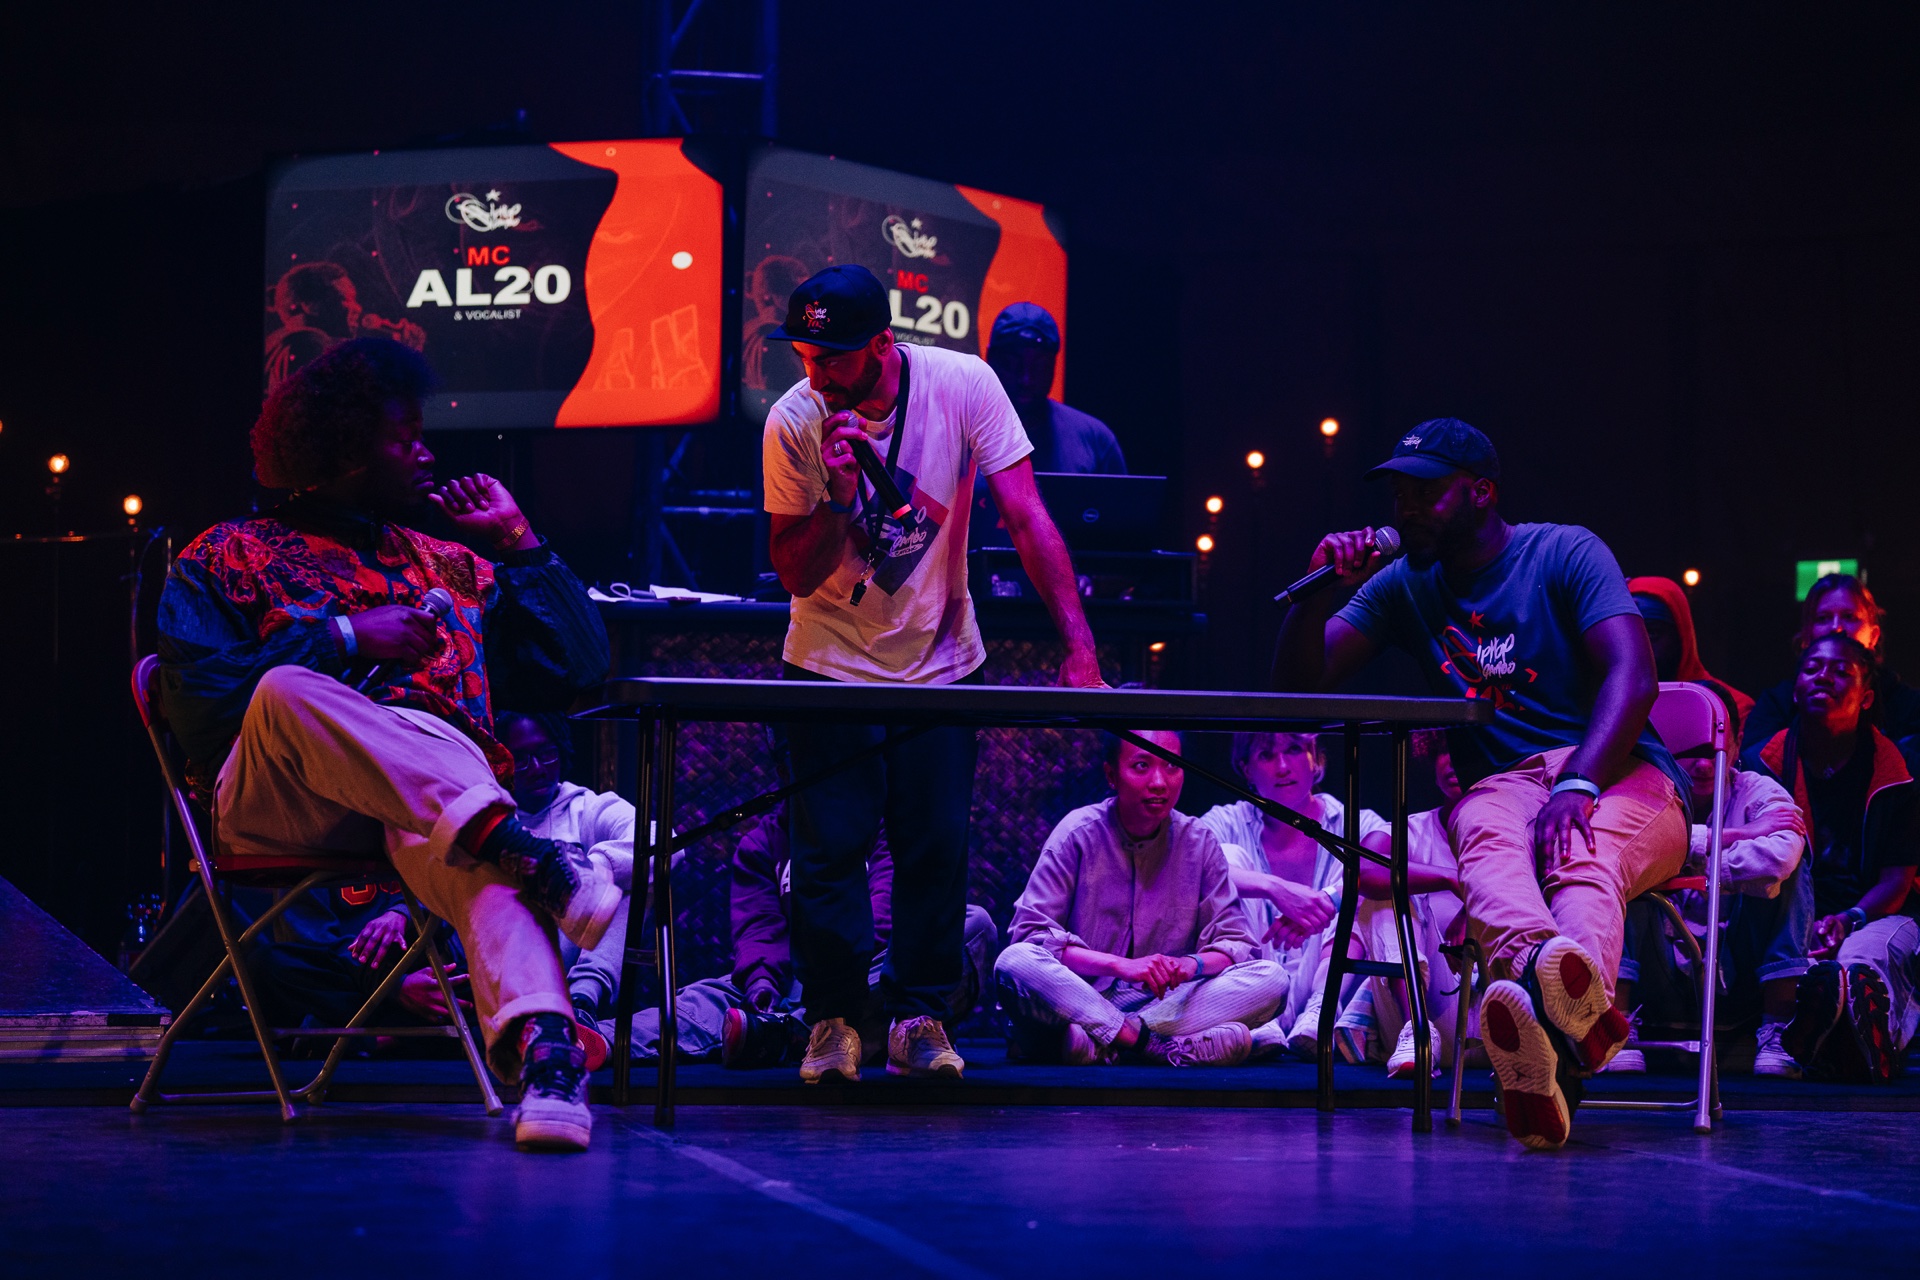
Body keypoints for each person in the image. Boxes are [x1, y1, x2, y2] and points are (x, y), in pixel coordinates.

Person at [157, 338, 613, 1152]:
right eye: (405, 438)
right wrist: (343, 637)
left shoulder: (452, 564)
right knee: (284, 689)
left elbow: (581, 669)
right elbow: (196, 706)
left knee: (475, 852)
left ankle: (549, 1059)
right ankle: (514, 842)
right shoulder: (223, 555)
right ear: (344, 452)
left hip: (422, 815)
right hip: (278, 803)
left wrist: (519, 541)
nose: (427, 453)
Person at [1271, 417, 1689, 1150]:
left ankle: (1544, 1014)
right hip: (1505, 786)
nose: (1405, 509)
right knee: (1483, 833)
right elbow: (1298, 689)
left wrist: (1578, 784)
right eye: (1399, 494)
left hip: (1617, 772)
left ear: (1482, 493)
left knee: (1578, 856)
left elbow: (1634, 674)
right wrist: (1318, 593)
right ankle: (1559, 999)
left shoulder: (1563, 551)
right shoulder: (1405, 585)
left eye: (1425, 493)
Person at [761, 264, 1104, 1084]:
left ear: (882, 344)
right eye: (805, 356)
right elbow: (794, 573)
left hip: (943, 661)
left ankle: (919, 1018)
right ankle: (835, 1021)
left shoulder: (963, 384)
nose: (816, 375)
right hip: (827, 662)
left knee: (935, 848)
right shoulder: (794, 419)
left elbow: (1025, 515)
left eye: (833, 358)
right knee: (828, 853)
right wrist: (839, 496)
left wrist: (1080, 649)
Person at [601, 808, 997, 1071]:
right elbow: (758, 925)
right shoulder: (762, 843)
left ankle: (786, 1032)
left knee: (973, 925)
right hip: (791, 979)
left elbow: (888, 912)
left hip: (868, 971)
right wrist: (762, 981)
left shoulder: (881, 824)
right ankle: (583, 1038)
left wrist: (830, 973)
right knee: (706, 996)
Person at [995, 731, 1286, 1066]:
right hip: (1078, 997)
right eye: (1141, 766)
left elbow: (1235, 944)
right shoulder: (1077, 833)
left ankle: (1107, 1041)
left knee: (1272, 979)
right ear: (1111, 775)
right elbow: (1030, 936)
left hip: (1161, 1005)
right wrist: (1120, 966)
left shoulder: (1199, 842)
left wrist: (1189, 965)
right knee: (1014, 961)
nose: (1159, 782)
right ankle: (1158, 1045)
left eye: (1171, 766)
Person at [1608, 683, 1808, 1076]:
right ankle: (1617, 1028)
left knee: (1796, 869)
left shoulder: (1758, 790)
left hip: (1733, 969)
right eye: (1692, 751)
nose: (1703, 765)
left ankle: (1778, 1030)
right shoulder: (1639, 792)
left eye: (1713, 751)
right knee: (1621, 867)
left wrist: (1683, 861)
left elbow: (1780, 857)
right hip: (1659, 972)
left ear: (1735, 746)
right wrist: (1735, 836)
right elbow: (1625, 850)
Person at [1757, 634, 1920, 1082]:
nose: (1823, 677)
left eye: (1840, 671)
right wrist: (1808, 922)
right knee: (1812, 970)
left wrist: (1848, 919)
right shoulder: (1763, 765)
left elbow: (1896, 881)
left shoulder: (1899, 773)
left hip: (1874, 913)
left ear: (1866, 698)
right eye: (1811, 669)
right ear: (1795, 690)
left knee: (1862, 960)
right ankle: (1839, 1040)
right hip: (1788, 916)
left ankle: (1864, 1040)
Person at [1195, 732, 1389, 1059]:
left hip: (1329, 983)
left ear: (1316, 759)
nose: (1283, 766)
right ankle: (1256, 1013)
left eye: (1295, 749)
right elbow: (1192, 867)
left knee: (1360, 872)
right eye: (1266, 755)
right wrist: (1275, 888)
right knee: (1225, 857)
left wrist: (1325, 901)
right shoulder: (1226, 821)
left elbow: (1390, 868)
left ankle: (1322, 1009)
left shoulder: (1357, 822)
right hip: (1249, 982)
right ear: (1245, 768)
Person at [1331, 731, 1473, 1078]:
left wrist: (1475, 906)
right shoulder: (1410, 831)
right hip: (1420, 1030)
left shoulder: (1518, 833)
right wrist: (1452, 879)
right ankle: (1417, 1030)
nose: (1452, 762)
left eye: (1465, 751)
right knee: (1383, 895)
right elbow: (1363, 873)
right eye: (1444, 750)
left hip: (1495, 1024)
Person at [1742, 574, 1920, 775]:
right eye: (1823, 618)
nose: (1836, 627)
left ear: (1874, 636)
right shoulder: (1777, 705)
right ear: (1806, 636)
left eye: (1849, 617)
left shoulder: (1906, 704)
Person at [984, 303, 1125, 475]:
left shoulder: (1096, 441)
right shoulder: (958, 433)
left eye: (1039, 366)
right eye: (1012, 364)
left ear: (1054, 365)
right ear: (989, 359)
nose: (1026, 379)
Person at [1628, 575, 1753, 722]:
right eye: (1629, 635)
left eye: (1653, 632)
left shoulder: (1730, 707)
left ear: (1681, 635)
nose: (1639, 645)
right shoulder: (1610, 704)